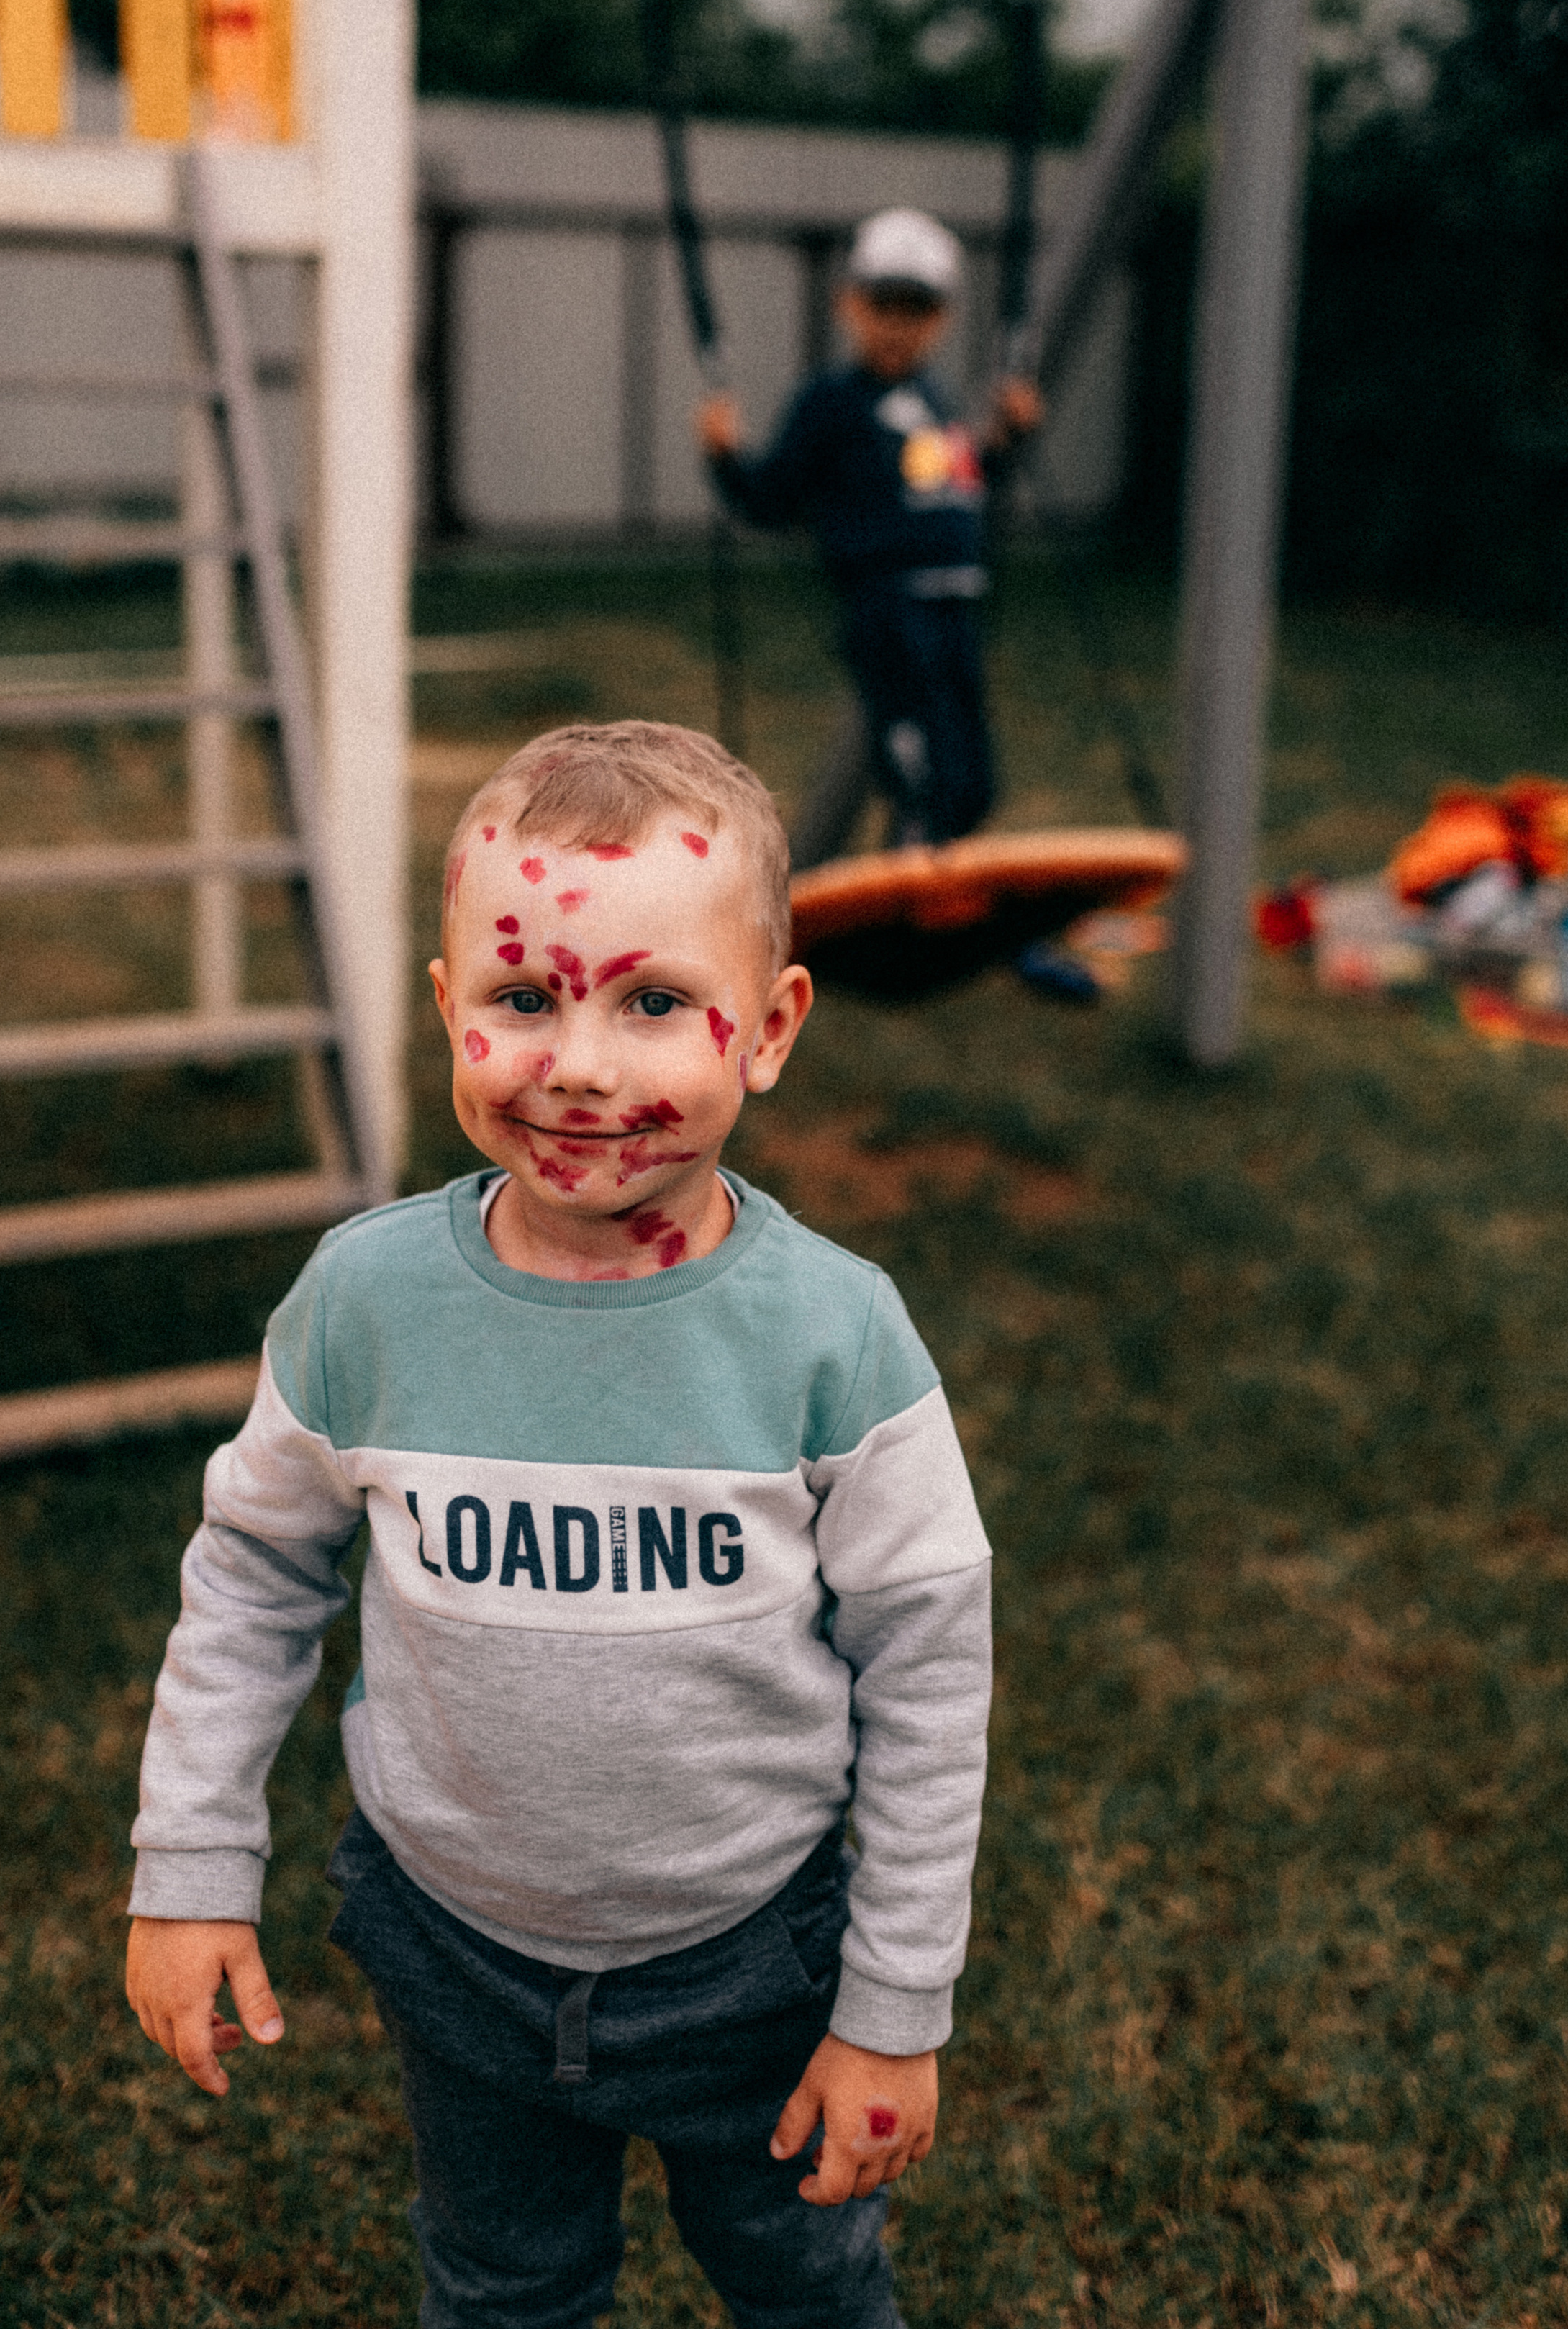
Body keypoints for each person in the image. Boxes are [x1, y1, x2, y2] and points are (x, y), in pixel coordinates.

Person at [124, 719, 992, 2329]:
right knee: (502, 2285)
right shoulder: (363, 1307)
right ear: (449, 1013)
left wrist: (891, 2004)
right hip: (453, 1949)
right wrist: (190, 1866)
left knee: (802, 2276)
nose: (580, 1066)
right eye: (524, 999)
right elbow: (251, 1577)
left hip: (753, 1961)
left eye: (653, 1002)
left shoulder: (833, 1339)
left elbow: (927, 1675)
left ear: (769, 1030)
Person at [696, 207, 1040, 854]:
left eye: (918, 309)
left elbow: (948, 490)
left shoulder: (935, 402)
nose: (898, 326)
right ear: (849, 305)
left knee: (972, 786)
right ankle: (908, 906)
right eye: (883, 305)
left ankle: (933, 897)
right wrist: (724, 457)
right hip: (889, 609)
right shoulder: (832, 402)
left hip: (955, 605)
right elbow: (768, 501)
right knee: (922, 782)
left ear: (944, 316)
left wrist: (1007, 437)